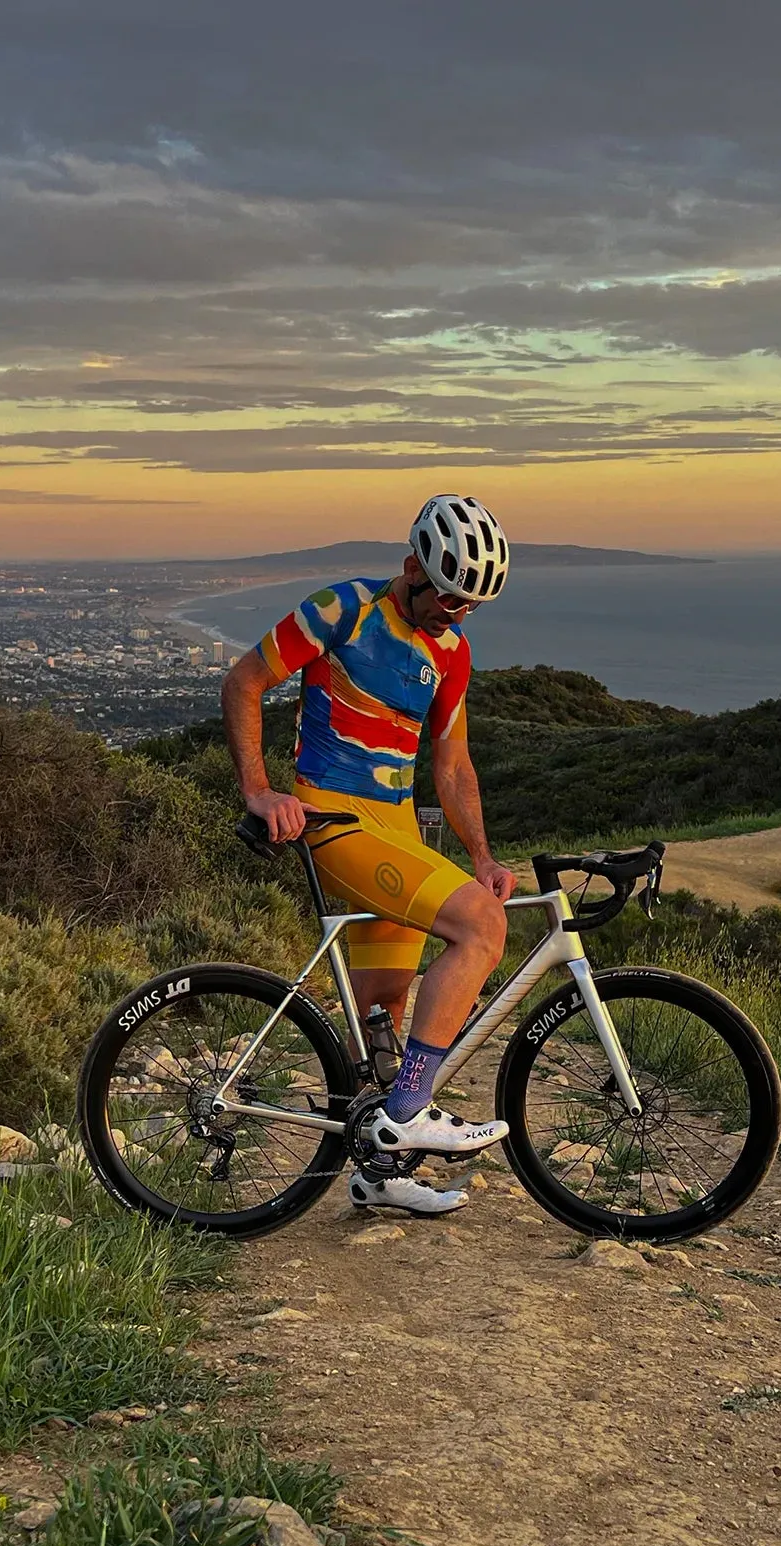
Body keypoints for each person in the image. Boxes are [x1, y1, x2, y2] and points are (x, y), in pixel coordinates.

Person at [220, 495, 516, 1216]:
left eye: (471, 604)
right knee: (481, 928)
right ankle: (412, 1111)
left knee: (384, 1009)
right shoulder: (344, 609)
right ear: (413, 564)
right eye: (447, 594)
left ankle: (378, 1173)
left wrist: (480, 854)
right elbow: (245, 681)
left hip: (398, 829)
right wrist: (260, 791)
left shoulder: (453, 652)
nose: (455, 611)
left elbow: (451, 764)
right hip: (334, 820)